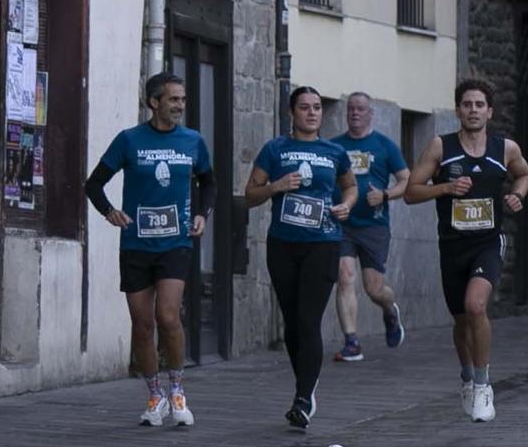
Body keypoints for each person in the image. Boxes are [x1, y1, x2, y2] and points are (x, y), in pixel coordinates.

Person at [85, 72, 216, 427]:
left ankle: (177, 392)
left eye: (184, 100)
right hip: (136, 244)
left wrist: (202, 215)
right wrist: (109, 212)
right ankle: (154, 395)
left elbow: (209, 182)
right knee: (142, 325)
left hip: (176, 243)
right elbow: (93, 183)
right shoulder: (129, 141)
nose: (180, 106)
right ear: (154, 102)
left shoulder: (193, 141)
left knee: (168, 316)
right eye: (174, 99)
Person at [404, 78, 528, 423]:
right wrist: (445, 187)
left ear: (489, 111)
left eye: (479, 105)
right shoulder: (440, 147)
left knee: (476, 306)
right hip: (453, 246)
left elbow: (523, 174)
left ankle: (483, 384)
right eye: (467, 104)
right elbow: (411, 192)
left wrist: (517, 195)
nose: (473, 110)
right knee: (461, 321)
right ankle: (466, 375)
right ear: (458, 110)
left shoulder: (505, 148)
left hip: (488, 242)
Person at [245, 87, 357, 429]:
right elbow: (250, 195)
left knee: (308, 320)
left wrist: (346, 205)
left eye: (317, 108)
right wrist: (276, 187)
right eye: (305, 108)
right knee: (292, 324)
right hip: (283, 244)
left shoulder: (334, 152)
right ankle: (304, 387)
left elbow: (351, 187)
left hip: (322, 243)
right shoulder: (275, 150)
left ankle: (304, 397)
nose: (312, 113)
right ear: (291, 113)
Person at [330, 91, 410, 362]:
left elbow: (406, 180)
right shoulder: (335, 146)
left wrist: (386, 195)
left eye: (360, 109)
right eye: (351, 108)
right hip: (342, 223)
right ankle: (351, 341)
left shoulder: (384, 146)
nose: (354, 113)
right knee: (344, 276)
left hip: (374, 226)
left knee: (374, 288)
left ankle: (389, 310)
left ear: (370, 113)